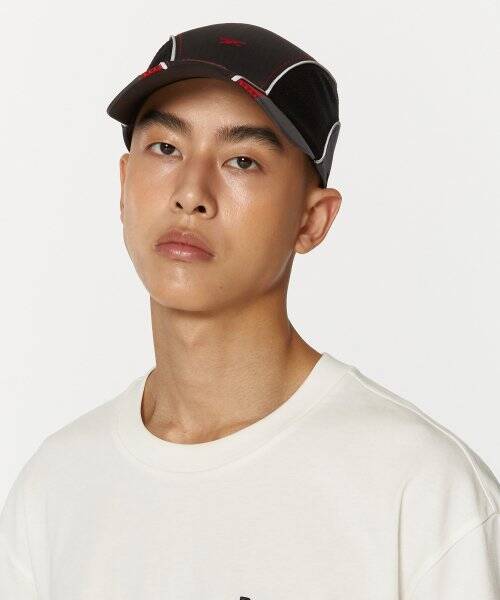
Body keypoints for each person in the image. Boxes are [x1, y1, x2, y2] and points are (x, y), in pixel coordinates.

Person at [1, 22, 499, 600]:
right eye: (165, 149)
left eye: (241, 161)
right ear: (123, 183)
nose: (191, 192)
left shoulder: (424, 495)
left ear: (312, 220)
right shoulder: (56, 489)